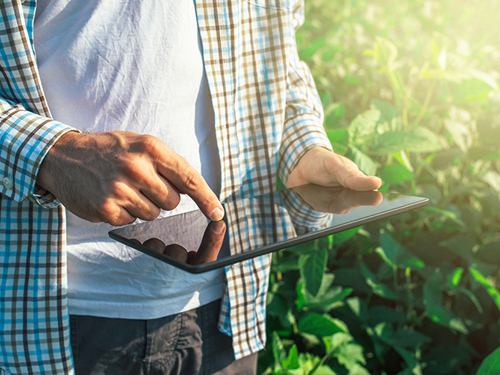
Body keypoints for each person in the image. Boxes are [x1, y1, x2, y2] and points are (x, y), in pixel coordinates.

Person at [0, 0, 382, 374]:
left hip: (227, 310)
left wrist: (300, 146)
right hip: (49, 317)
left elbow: (277, 47)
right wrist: (51, 154)